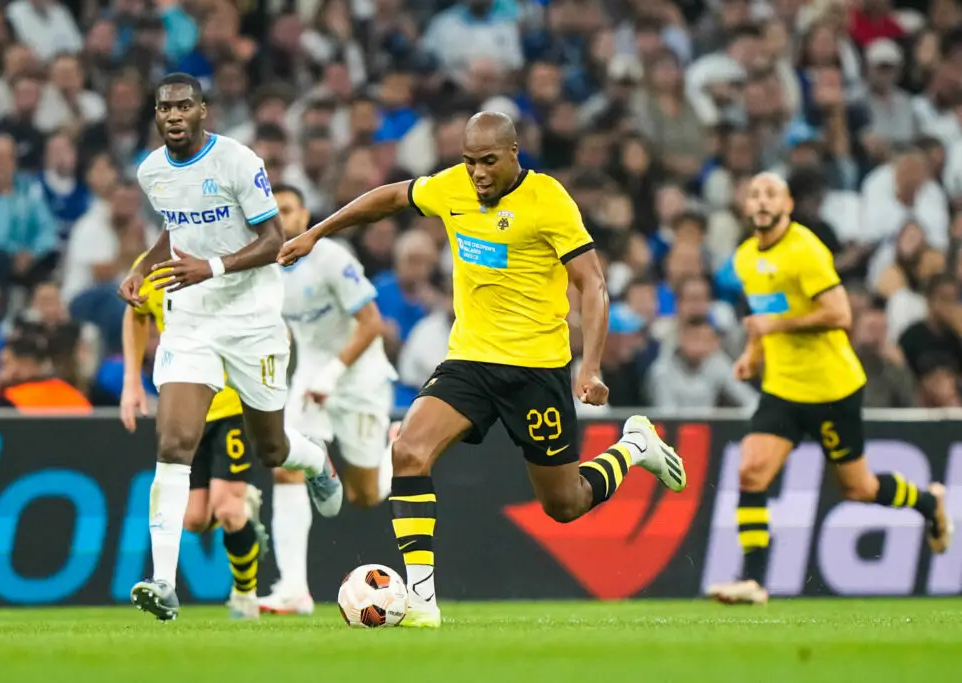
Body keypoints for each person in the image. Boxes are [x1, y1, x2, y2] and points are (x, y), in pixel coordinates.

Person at [280, 111, 687, 628]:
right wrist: (318, 231)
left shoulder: (547, 199)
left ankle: (635, 446)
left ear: (514, 153)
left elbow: (593, 283)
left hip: (535, 370)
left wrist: (590, 367)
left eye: (488, 161)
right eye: (470, 161)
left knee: (565, 504)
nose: (477, 173)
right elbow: (391, 197)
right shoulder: (453, 186)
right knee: (407, 452)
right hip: (470, 360)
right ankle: (422, 602)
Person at [116, 73, 343, 622]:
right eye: (164, 108)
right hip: (190, 320)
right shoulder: (151, 171)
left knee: (273, 450)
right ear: (156, 114)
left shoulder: (238, 162)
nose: (173, 115)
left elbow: (273, 241)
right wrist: (145, 267)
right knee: (173, 443)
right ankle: (163, 582)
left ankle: (316, 460)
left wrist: (212, 268)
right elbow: (176, 229)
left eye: (183, 106)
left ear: (203, 111)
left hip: (252, 321)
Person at [708, 172, 953, 606]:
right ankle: (753, 580)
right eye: (755, 195)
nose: (762, 202)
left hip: (831, 389)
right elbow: (764, 316)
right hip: (783, 387)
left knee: (859, 489)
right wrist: (752, 354)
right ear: (745, 206)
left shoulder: (805, 250)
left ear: (788, 205)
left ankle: (928, 504)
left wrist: (776, 326)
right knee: (751, 470)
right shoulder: (745, 258)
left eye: (771, 194)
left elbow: (840, 314)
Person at [259, 184, 396, 616]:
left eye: (288, 209)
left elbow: (372, 324)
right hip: (309, 381)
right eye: (273, 211)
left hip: (358, 380)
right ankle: (293, 590)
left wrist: (332, 375)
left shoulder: (332, 258)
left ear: (305, 216)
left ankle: (396, 447)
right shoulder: (265, 267)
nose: (282, 218)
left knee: (364, 495)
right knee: (285, 464)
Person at [119, 249, 271, 620]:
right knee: (195, 520)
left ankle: (245, 594)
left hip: (231, 402)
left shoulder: (223, 257)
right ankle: (244, 510)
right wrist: (131, 380)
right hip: (184, 407)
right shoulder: (151, 265)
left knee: (228, 510)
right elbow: (136, 313)